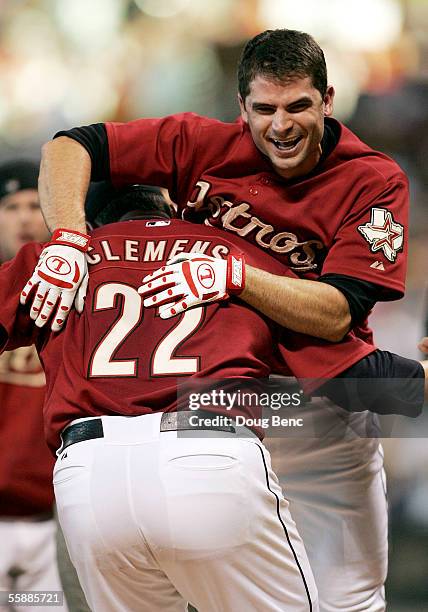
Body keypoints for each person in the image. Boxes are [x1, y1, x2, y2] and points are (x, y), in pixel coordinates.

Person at [23, 29, 413, 610]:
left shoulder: (373, 180)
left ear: (328, 100)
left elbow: (335, 316)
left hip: (313, 395)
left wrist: (236, 275)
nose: (280, 125)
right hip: (212, 401)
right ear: (242, 109)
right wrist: (69, 237)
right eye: (265, 109)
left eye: (297, 106)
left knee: (347, 599)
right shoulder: (199, 143)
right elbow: (70, 145)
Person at [0, 161, 66, 611]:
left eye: (33, 205)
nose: (24, 217)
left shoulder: (75, 296)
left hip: (56, 523)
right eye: (11, 206)